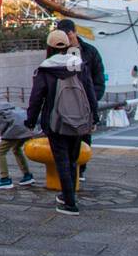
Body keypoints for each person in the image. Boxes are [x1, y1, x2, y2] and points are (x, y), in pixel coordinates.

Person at [25, 29, 98, 215]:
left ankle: (70, 203)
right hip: (79, 121)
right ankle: (68, 196)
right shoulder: (79, 65)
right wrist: (94, 117)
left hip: (55, 121)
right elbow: (90, 93)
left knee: (62, 161)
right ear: (67, 46)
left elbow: (36, 98)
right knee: (73, 160)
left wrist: (31, 120)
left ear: (48, 47)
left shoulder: (46, 68)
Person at [55, 18, 104, 179]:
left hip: (85, 103)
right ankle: (68, 169)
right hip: (65, 104)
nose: (67, 40)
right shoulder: (57, 52)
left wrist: (91, 102)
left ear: (74, 32)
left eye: (68, 35)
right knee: (65, 137)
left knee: (84, 138)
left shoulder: (90, 51)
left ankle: (81, 168)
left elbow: (98, 80)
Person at [0, 100, 36, 189]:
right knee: (16, 149)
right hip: (26, 124)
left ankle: (5, 179)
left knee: (0, 152)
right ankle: (27, 176)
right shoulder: (1, 105)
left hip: (15, 128)